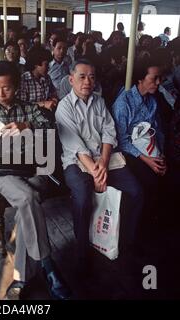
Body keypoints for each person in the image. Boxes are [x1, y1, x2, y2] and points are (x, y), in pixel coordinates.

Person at [0, 61, 72, 300]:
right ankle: (48, 265)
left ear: (17, 86)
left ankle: (22, 278)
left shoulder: (29, 109)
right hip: (5, 175)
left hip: (34, 172)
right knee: (27, 198)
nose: (1, 94)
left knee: (26, 208)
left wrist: (27, 126)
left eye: (7, 88)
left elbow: (51, 125)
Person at [56, 59, 143, 273]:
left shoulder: (99, 101)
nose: (87, 81)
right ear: (71, 79)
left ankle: (124, 240)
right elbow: (75, 145)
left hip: (104, 159)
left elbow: (109, 133)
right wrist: (96, 172)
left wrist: (102, 163)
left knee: (136, 191)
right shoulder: (63, 107)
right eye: (82, 77)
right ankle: (82, 251)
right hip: (77, 162)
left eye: (92, 77)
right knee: (83, 196)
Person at [112, 57, 167, 224]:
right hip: (129, 151)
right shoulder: (124, 103)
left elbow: (157, 131)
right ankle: (137, 226)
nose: (158, 82)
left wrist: (160, 155)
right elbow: (121, 140)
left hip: (149, 148)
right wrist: (149, 161)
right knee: (148, 179)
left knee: (165, 173)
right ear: (140, 79)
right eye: (153, 78)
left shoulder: (152, 100)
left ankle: (150, 220)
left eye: (159, 78)